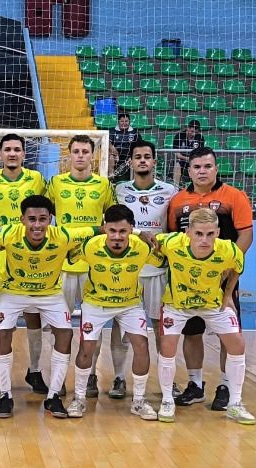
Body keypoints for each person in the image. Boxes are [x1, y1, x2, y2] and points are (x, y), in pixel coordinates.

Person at [0, 195, 99, 418]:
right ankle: (5, 395)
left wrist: (139, 234)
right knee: (2, 334)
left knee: (65, 334)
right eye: (31, 219)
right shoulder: (7, 234)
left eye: (43, 219)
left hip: (49, 294)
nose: (37, 225)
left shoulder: (64, 236)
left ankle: (53, 396)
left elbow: (101, 229)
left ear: (51, 219)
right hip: (13, 292)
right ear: (22, 220)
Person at [167, 147, 253, 411]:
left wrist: (228, 266)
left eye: (207, 166)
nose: (202, 171)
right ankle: (195, 385)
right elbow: (174, 239)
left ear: (216, 168)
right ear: (189, 170)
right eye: (197, 167)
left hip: (221, 280)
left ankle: (226, 386)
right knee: (192, 332)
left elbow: (246, 234)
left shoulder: (234, 196)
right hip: (188, 282)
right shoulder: (178, 200)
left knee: (229, 335)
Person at [155, 208, 255, 425]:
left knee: (237, 344)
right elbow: (150, 239)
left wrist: (228, 295)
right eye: (199, 234)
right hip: (177, 305)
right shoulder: (172, 243)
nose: (205, 240)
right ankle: (166, 401)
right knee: (167, 346)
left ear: (218, 232)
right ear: (188, 232)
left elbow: (237, 267)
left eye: (210, 234)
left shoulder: (228, 249)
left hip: (212, 303)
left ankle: (235, 404)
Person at [68, 205, 165, 420]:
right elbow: (69, 256)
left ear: (132, 229)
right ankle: (79, 398)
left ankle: (139, 401)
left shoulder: (143, 248)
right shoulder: (90, 246)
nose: (117, 237)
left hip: (130, 304)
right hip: (95, 303)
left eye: (123, 231)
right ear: (104, 229)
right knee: (87, 347)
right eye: (112, 231)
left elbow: (164, 260)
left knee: (141, 345)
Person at [0, 133, 49, 394]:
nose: (12, 153)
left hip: (31, 259)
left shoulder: (37, 179)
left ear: (23, 154)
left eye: (17, 149)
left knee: (34, 317)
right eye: (7, 149)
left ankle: (35, 370)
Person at [47, 134, 114, 398]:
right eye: (76, 151)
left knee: (93, 324)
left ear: (93, 155)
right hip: (62, 264)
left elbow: (112, 221)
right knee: (59, 325)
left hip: (93, 265)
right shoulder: (55, 184)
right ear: (69, 154)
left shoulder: (104, 185)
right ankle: (58, 377)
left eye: (86, 152)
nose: (81, 156)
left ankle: (92, 375)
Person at [110, 140, 178, 398]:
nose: (142, 161)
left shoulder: (169, 191)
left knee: (161, 327)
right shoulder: (118, 189)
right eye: (137, 156)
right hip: (127, 270)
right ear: (130, 162)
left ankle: (166, 381)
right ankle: (118, 378)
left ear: (154, 162)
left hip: (157, 270)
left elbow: (172, 229)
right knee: (121, 327)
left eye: (147, 157)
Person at [108, 113, 141, 183]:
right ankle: (111, 175)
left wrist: (132, 156)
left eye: (126, 121)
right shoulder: (112, 131)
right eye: (122, 121)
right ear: (118, 122)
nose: (124, 123)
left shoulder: (135, 132)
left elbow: (139, 145)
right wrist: (112, 148)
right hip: (115, 156)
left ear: (129, 122)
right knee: (110, 155)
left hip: (129, 156)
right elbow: (108, 141)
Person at [172, 120, 205, 187]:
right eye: (191, 131)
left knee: (200, 166)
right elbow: (177, 154)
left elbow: (200, 154)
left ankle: (197, 187)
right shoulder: (179, 136)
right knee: (177, 164)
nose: (192, 133)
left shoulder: (200, 137)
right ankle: (175, 187)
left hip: (194, 161)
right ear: (187, 128)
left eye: (195, 132)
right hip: (182, 159)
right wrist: (186, 158)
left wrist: (191, 159)